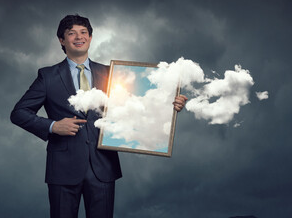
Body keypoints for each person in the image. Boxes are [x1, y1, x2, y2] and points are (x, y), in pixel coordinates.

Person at [10, 14, 187, 218]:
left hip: (103, 167)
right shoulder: (48, 76)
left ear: (91, 37)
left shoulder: (112, 74)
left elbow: (139, 106)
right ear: (61, 40)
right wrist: (53, 126)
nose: (79, 37)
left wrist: (169, 104)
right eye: (72, 33)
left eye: (84, 32)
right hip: (63, 169)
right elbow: (19, 113)